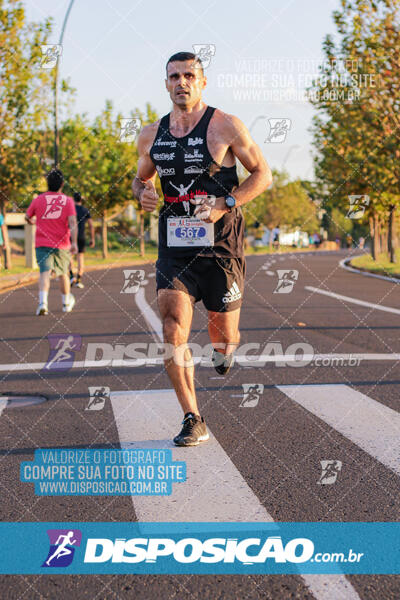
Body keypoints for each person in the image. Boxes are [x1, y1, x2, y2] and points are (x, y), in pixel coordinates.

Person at [132, 51, 272, 447]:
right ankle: (193, 417)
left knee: (223, 334)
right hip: (175, 249)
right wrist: (142, 193)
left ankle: (224, 352)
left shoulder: (225, 125)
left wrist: (226, 203)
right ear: (166, 84)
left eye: (189, 75)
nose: (182, 82)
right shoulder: (150, 134)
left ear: (202, 81)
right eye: (174, 76)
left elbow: (263, 174)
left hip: (222, 245)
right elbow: (140, 180)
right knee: (173, 327)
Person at [25, 169, 77, 315]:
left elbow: (27, 216)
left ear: (47, 183)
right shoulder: (67, 201)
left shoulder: (38, 200)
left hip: (42, 243)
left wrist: (33, 221)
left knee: (44, 273)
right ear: (62, 184)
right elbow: (72, 222)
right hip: (62, 244)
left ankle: (43, 303)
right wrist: (74, 243)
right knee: (63, 273)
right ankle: (66, 303)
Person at [70, 191, 95, 288]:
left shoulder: (70, 209)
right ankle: (78, 280)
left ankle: (71, 276)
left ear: (73, 199)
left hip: (71, 236)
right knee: (80, 258)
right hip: (81, 236)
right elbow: (91, 225)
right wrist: (92, 239)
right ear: (81, 200)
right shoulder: (85, 210)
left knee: (70, 256)